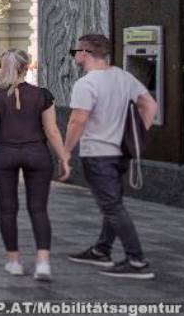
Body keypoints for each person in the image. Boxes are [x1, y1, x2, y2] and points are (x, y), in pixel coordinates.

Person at [63, 34, 159, 279]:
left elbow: (78, 120)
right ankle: (101, 250)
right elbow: (150, 105)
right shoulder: (123, 77)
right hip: (120, 153)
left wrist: (65, 151)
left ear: (84, 53)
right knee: (113, 203)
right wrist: (136, 134)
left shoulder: (86, 84)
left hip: (98, 154)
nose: (75, 55)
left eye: (76, 50)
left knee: (113, 206)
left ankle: (137, 261)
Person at [0, 49, 71, 281]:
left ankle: (14, 262)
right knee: (38, 209)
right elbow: (52, 130)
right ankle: (43, 264)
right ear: (26, 68)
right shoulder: (43, 95)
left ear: (2, 67)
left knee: (8, 209)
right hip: (37, 154)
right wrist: (64, 157)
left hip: (4, 154)